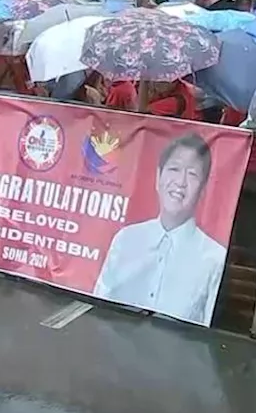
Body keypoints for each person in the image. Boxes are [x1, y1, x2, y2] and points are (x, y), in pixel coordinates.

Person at [94, 134, 226, 324]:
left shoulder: (214, 259)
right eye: (174, 169)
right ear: (158, 177)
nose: (180, 182)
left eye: (192, 174)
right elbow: (100, 307)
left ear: (203, 189)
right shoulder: (125, 240)